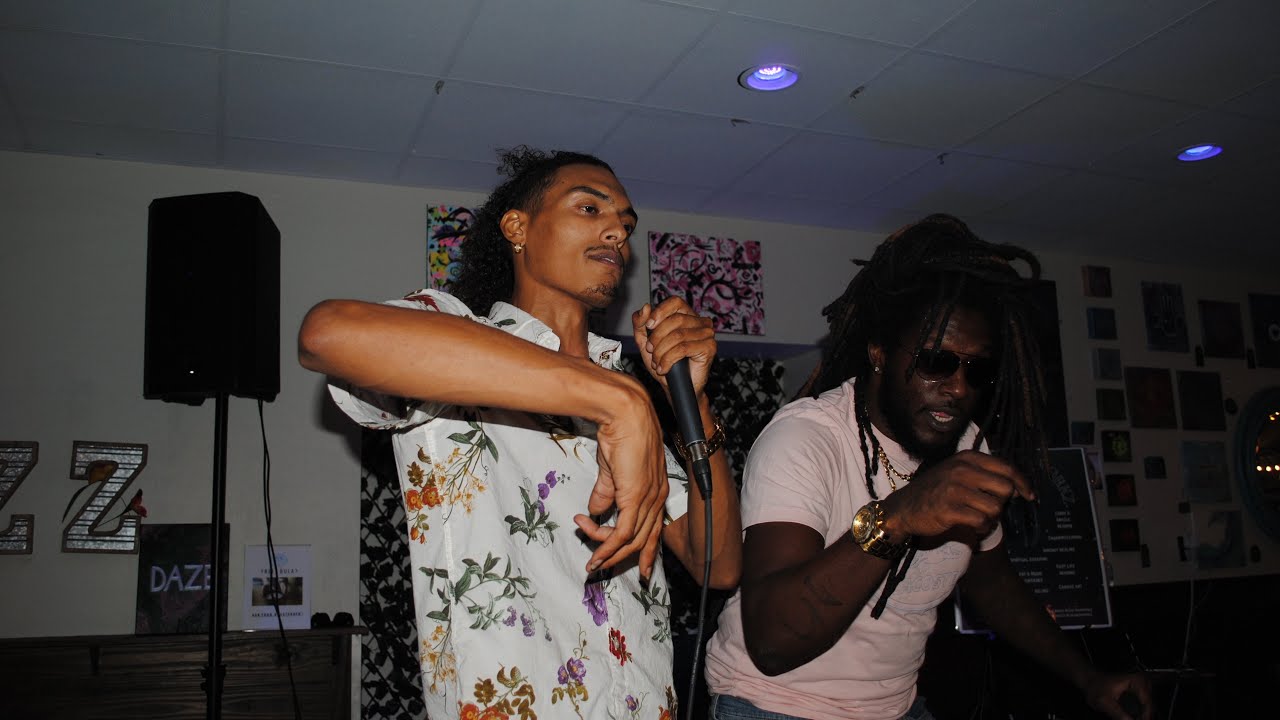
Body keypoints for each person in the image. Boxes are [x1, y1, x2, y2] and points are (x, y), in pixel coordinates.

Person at [298, 147, 741, 718]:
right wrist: (616, 399)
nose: (617, 231)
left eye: (626, 223)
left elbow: (718, 564)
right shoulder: (456, 338)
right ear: (517, 228)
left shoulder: (626, 399)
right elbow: (327, 335)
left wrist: (693, 403)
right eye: (590, 208)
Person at [703, 214, 1152, 720]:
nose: (958, 387)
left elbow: (992, 583)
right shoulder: (806, 439)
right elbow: (772, 642)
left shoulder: (969, 446)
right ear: (879, 354)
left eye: (977, 369)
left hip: (896, 707)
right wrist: (896, 518)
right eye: (936, 361)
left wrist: (1088, 677)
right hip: (776, 707)